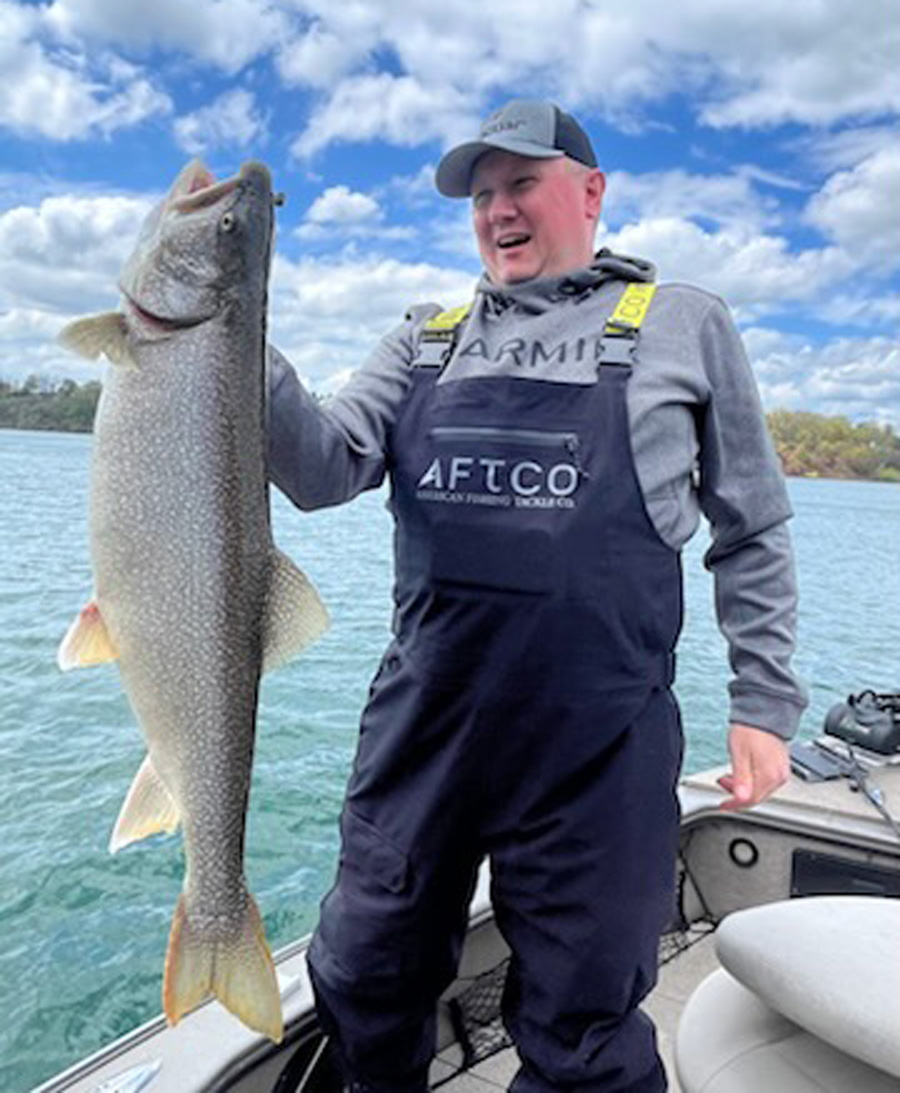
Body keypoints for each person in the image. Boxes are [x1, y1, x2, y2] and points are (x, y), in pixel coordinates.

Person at [267, 99, 807, 1093]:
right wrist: (227, 341)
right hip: (424, 734)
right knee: (363, 971)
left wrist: (763, 707)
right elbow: (319, 468)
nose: (497, 210)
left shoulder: (682, 323)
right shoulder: (423, 339)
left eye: (521, 183)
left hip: (597, 753)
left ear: (591, 192)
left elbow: (754, 527)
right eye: (480, 194)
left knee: (584, 1020)